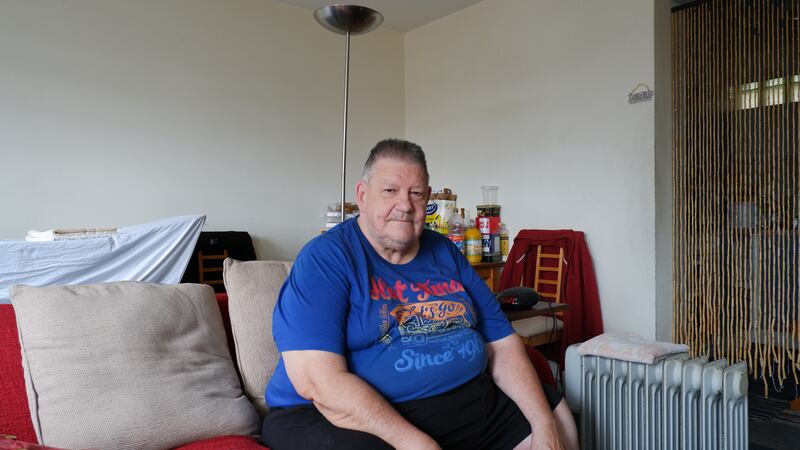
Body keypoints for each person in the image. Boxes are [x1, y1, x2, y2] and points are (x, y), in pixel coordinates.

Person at [261, 139, 579, 450]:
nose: (404, 205)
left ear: (427, 199)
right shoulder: (326, 259)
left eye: (415, 193)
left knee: (557, 418)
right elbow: (319, 382)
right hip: (347, 415)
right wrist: (414, 442)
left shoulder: (444, 251)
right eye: (390, 191)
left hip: (462, 402)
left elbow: (503, 344)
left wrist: (543, 426)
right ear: (362, 195)